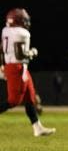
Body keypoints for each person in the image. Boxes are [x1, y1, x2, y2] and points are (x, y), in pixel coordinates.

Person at [0, 8, 56, 137]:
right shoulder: (21, 33)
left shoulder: (6, 30)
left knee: (30, 97)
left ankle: (38, 128)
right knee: (14, 101)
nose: (27, 23)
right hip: (17, 67)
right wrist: (32, 52)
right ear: (19, 20)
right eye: (24, 20)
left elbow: (2, 48)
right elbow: (20, 54)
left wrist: (3, 65)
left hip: (16, 66)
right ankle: (37, 127)